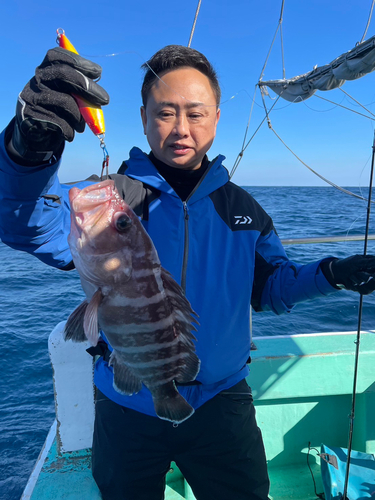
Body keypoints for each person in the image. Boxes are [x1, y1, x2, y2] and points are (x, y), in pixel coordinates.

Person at [1, 44, 375, 500]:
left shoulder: (244, 211)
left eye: (195, 114)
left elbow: (271, 288)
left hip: (222, 400)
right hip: (126, 404)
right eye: (165, 113)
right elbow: (28, 223)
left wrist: (333, 272)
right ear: (143, 117)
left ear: (216, 117)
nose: (181, 128)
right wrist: (27, 150)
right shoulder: (109, 200)